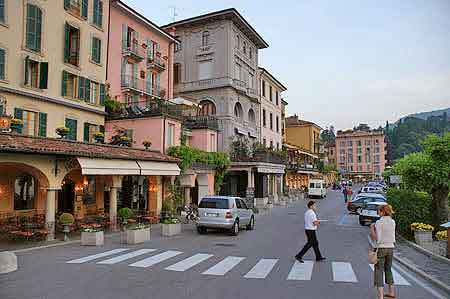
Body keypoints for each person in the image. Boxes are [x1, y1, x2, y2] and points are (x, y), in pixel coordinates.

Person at [370, 204, 396, 299]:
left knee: (379, 271)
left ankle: (381, 296)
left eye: (379, 211)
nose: (378, 213)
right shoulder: (393, 222)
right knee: (388, 269)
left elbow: (377, 238)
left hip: (381, 248)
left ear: (382, 212)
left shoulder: (379, 222)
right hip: (391, 247)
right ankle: (391, 292)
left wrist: (372, 228)